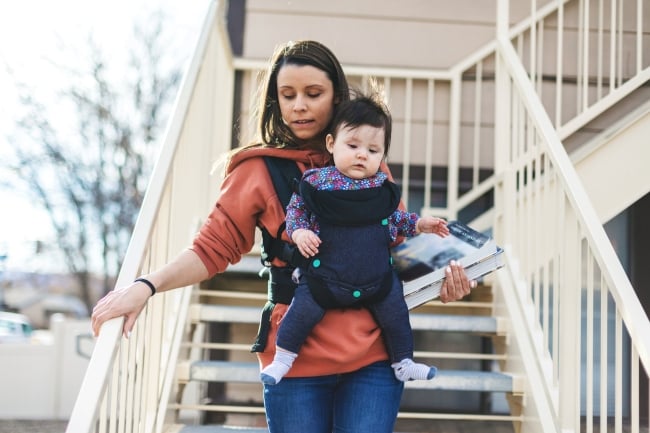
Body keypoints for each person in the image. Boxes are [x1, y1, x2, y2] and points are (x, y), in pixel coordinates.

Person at [91, 40, 475, 433]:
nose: (299, 106)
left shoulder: (368, 163)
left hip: (374, 356)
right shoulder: (256, 170)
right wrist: (146, 285)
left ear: (336, 97)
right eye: (287, 95)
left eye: (313, 94)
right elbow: (211, 248)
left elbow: (395, 247)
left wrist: (441, 284)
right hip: (296, 356)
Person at [260, 91, 450, 386]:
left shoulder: (381, 188)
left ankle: (403, 361)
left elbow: (396, 219)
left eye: (373, 151)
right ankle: (283, 359)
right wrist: (299, 233)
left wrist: (420, 224)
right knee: (301, 312)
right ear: (331, 144)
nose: (363, 154)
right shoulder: (317, 183)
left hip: (376, 279)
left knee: (396, 312)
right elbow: (295, 213)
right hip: (325, 278)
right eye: (353, 145)